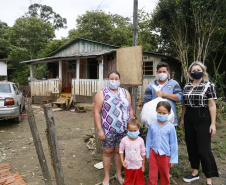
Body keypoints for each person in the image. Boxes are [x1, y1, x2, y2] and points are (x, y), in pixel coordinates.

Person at [180, 61, 219, 185]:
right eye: (193, 70)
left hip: (203, 117)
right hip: (189, 117)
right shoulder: (186, 86)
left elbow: (212, 105)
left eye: (198, 70)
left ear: (203, 71)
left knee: (203, 149)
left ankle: (209, 178)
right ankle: (194, 172)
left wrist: (213, 123)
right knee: (191, 146)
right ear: (190, 73)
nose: (196, 72)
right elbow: (184, 104)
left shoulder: (209, 85)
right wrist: (182, 119)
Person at [94, 70, 134, 185]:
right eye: (112, 78)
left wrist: (132, 125)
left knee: (119, 151)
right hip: (108, 129)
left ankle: (118, 174)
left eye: (116, 79)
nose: (114, 81)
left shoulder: (125, 92)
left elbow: (130, 109)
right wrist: (100, 130)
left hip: (123, 129)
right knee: (108, 151)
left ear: (119, 80)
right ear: (108, 80)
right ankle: (106, 177)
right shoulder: (102, 93)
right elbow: (96, 112)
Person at [146, 101, 178, 185]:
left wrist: (173, 159)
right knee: (152, 175)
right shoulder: (152, 125)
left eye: (164, 113)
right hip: (153, 153)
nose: (161, 114)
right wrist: (148, 153)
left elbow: (173, 144)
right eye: (159, 112)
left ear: (169, 113)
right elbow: (149, 139)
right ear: (156, 111)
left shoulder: (171, 127)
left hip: (165, 155)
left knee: (164, 174)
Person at [119, 118, 146, 185]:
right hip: (128, 165)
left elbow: (143, 153)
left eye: (135, 130)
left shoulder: (140, 140)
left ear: (138, 129)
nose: (133, 132)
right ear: (127, 129)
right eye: (130, 130)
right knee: (128, 181)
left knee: (139, 181)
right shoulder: (124, 140)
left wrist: (143, 165)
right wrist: (122, 161)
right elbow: (121, 151)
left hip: (138, 165)